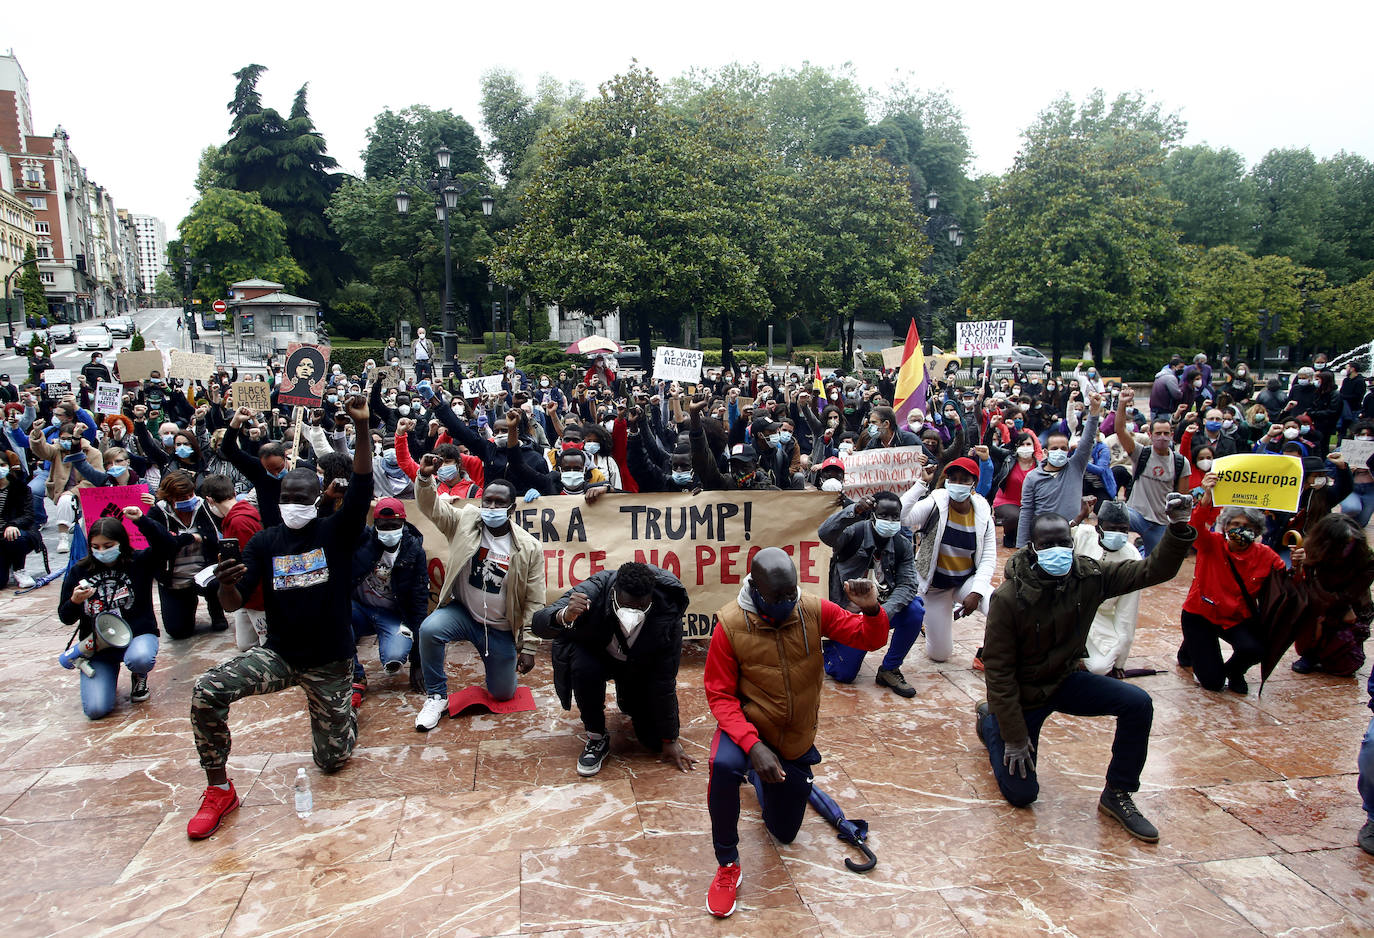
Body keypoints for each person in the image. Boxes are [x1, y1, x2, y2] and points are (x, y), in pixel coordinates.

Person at [187, 394, 374, 841]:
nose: (291, 503)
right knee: (206, 691)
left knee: (331, 761)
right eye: (286, 496)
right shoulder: (265, 542)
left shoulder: (335, 531)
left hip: (330, 661)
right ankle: (218, 788)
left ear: (316, 500)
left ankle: (342, 713)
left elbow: (364, 483)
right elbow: (233, 605)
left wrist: (363, 426)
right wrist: (228, 583)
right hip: (281, 655)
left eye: (300, 497)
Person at [976, 494, 1197, 843]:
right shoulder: (1009, 597)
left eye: (1063, 542)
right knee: (1022, 794)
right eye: (1048, 544)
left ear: (1074, 540)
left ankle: (1118, 793)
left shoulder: (1089, 576)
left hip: (1066, 679)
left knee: (1137, 703)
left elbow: (1153, 570)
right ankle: (992, 724)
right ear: (1034, 547)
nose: (1058, 550)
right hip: (1025, 694)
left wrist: (1179, 527)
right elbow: (999, 672)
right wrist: (1014, 737)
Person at [703, 547, 889, 918]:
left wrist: (870, 609)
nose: (788, 602)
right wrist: (753, 746)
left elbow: (869, 639)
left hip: (794, 738)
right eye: (778, 596)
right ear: (755, 587)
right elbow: (720, 696)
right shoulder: (730, 625)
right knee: (723, 765)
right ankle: (727, 865)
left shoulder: (813, 609)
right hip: (750, 728)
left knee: (784, 832)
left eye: (792, 593)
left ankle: (760, 776)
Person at [532, 562, 695, 776]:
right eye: (627, 606)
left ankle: (628, 698)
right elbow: (538, 623)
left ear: (651, 598)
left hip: (635, 665)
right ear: (614, 593)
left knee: (653, 742)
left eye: (640, 607)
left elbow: (665, 679)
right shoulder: (594, 589)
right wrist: (564, 615)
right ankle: (596, 736)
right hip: (595, 656)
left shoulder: (667, 612)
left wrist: (670, 738)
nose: (632, 613)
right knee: (583, 668)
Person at [412, 467, 543, 733]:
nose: (492, 507)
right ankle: (436, 696)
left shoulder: (529, 548)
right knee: (429, 629)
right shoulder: (465, 522)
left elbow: (534, 600)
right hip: (463, 614)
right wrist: (425, 479)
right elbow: (431, 507)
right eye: (488, 501)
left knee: (503, 693)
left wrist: (529, 647)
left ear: (511, 508)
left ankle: (497, 669)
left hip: (499, 629)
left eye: (499, 503)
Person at [58, 512, 177, 718]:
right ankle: (105, 678)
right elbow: (65, 617)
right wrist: (74, 602)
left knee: (140, 658)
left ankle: (139, 675)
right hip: (98, 645)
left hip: (137, 633)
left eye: (108, 545)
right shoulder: (80, 570)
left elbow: (167, 546)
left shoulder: (138, 561)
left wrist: (142, 520)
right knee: (96, 709)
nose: (102, 551)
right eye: (96, 547)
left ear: (120, 543)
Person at [1177, 474, 1283, 694]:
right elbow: (1195, 526)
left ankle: (1235, 671)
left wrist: (1300, 563)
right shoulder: (1211, 543)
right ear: (1225, 527)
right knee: (1213, 684)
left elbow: (1286, 581)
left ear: (1256, 530)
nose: (1240, 529)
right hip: (1200, 614)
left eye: (1247, 525)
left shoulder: (1266, 555)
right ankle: (1190, 648)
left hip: (1235, 618)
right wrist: (1206, 497)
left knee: (1255, 649)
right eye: (1235, 524)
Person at [817, 491, 925, 695]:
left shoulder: (902, 544)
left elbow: (908, 585)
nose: (890, 521)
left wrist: (878, 615)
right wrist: (854, 510)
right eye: (884, 515)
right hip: (847, 617)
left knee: (915, 610)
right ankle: (832, 648)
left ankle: (890, 668)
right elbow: (825, 534)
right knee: (844, 675)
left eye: (895, 517)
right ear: (872, 514)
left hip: (878, 613)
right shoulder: (854, 533)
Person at [350, 497, 428, 707]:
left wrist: (418, 663)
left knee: (394, 656)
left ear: (403, 524)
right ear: (375, 525)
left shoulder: (414, 551)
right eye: (383, 527)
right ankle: (355, 675)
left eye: (394, 526)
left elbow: (419, 603)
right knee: (334, 617)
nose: (389, 531)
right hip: (359, 610)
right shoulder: (361, 541)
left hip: (392, 615)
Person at [1015, 393, 1103, 547]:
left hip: (1072, 534)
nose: (1059, 451)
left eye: (1063, 448)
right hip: (1043, 536)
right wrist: (1022, 545)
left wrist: (1094, 412)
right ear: (1046, 452)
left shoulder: (1075, 467)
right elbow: (1026, 511)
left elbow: (1088, 440)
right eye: (1054, 448)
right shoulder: (1032, 477)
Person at [1115, 387, 1191, 556]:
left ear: (1171, 435)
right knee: (1113, 518)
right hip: (1135, 514)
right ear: (1150, 434)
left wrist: (1176, 526)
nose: (1162, 437)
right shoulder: (1141, 453)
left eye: (1166, 433)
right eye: (1158, 433)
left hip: (1160, 521)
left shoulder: (1181, 462)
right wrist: (1122, 403)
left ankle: (1140, 548)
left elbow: (1182, 497)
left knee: (1154, 563)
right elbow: (1120, 430)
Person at [1071, 501, 1142, 677]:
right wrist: (1080, 516)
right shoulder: (1084, 534)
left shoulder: (1132, 557)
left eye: (1123, 530)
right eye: (1112, 529)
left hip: (1100, 619)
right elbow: (1057, 537)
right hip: (1070, 608)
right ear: (1098, 528)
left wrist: (1120, 663)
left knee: (1099, 667)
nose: (1118, 534)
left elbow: (1127, 614)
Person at [0, 451, 40, 589]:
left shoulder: (21, 488)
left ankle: (19, 569)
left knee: (14, 536)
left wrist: (12, 524)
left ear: (9, 467)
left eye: (2, 464)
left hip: (17, 533)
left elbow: (28, 516)